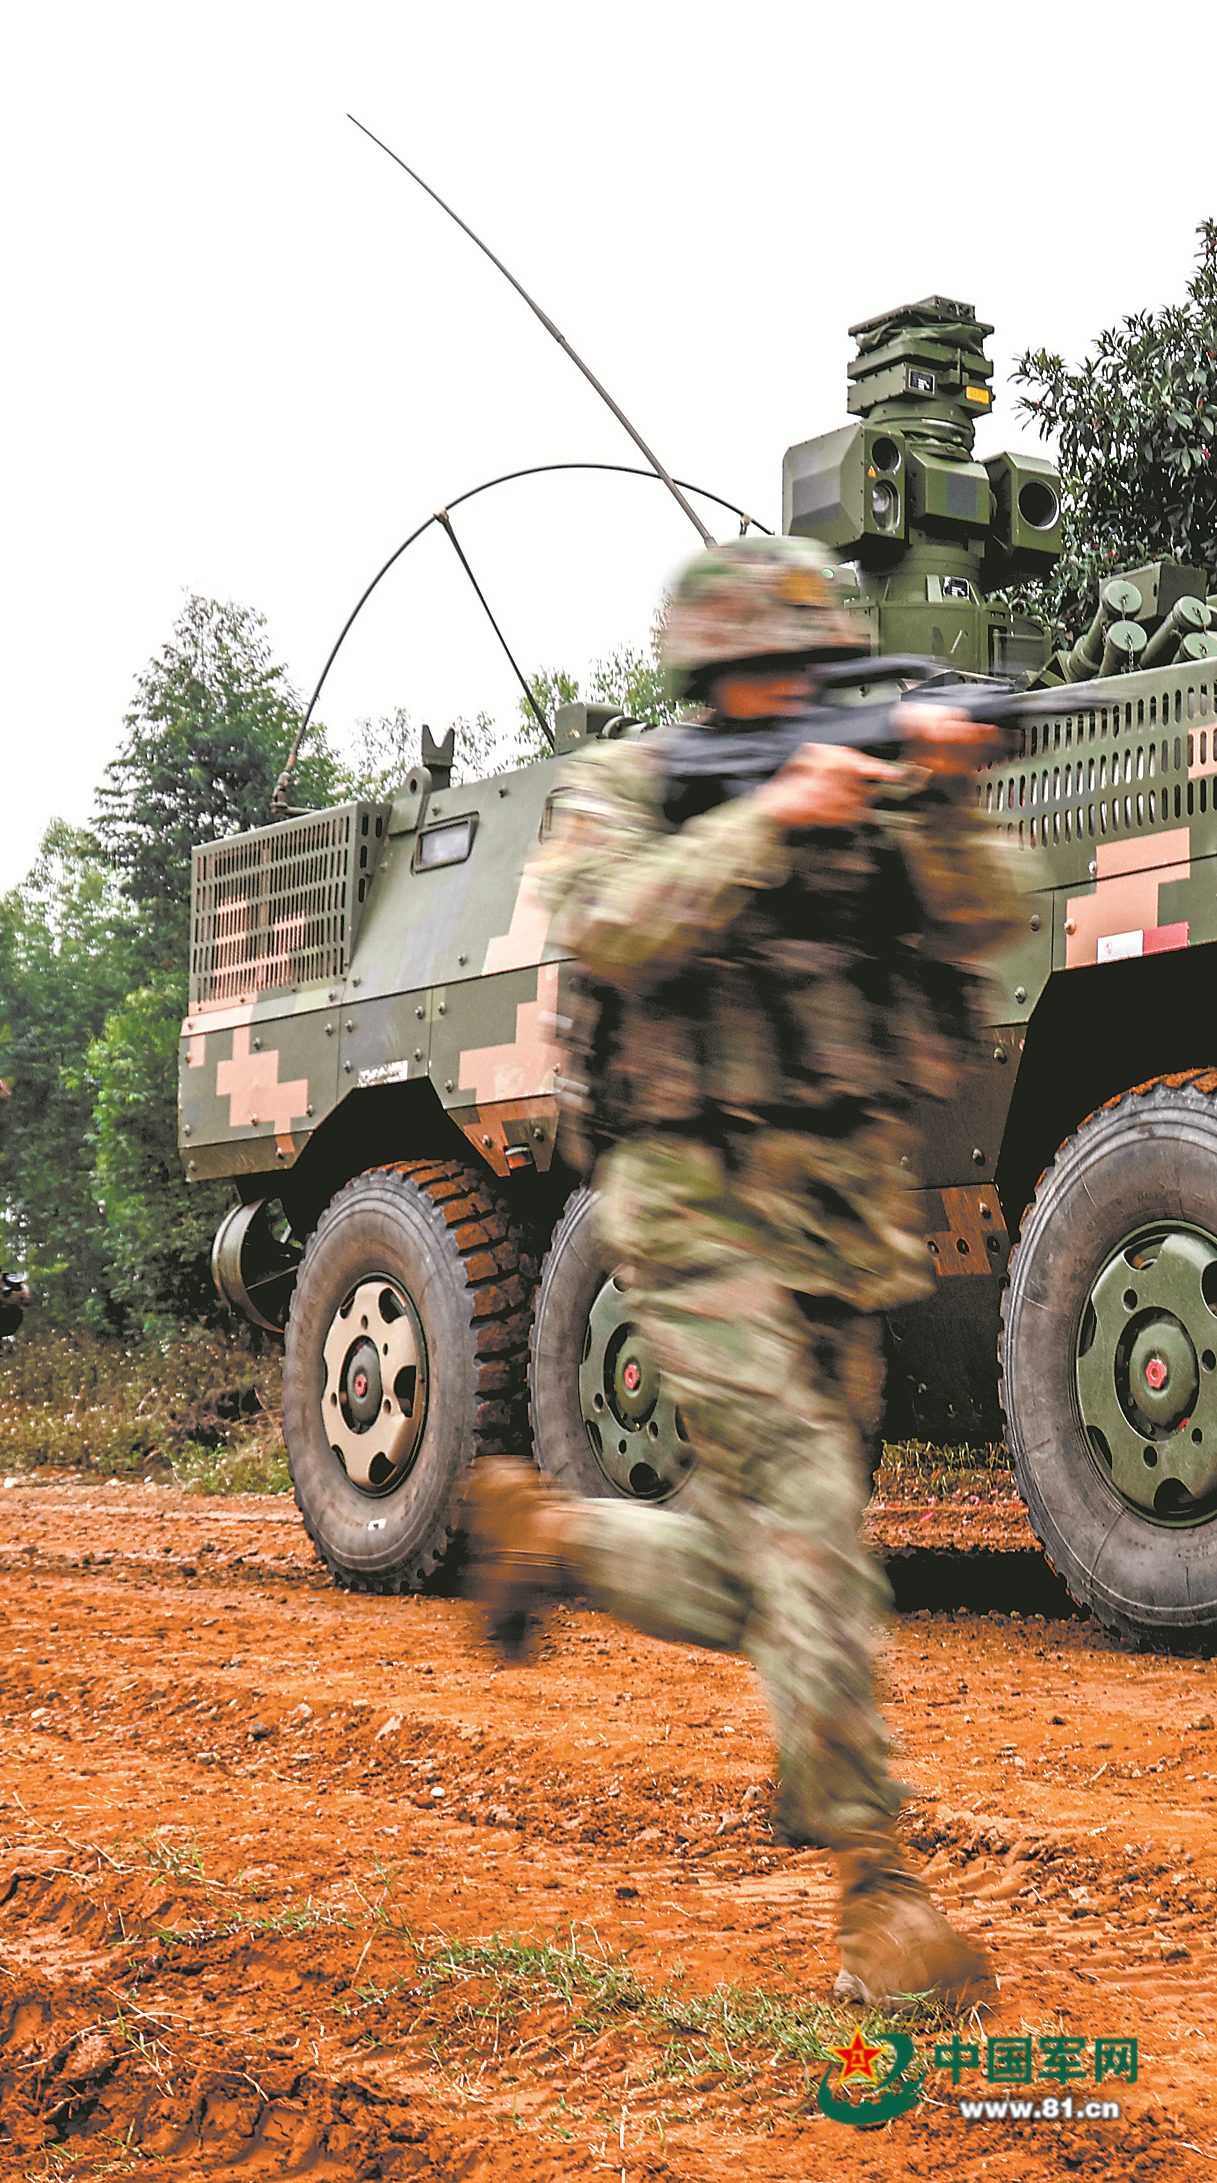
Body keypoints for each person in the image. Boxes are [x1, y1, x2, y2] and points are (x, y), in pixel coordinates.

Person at [464, 535, 1022, 2012]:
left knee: (759, 1567)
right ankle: (875, 1894)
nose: (802, 697)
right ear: (710, 682)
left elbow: (989, 919)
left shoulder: (884, 779)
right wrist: (774, 814)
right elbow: (602, 921)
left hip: (841, 1208)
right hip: (685, 1194)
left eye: (817, 676)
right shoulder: (633, 785)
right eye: (769, 679)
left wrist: (941, 793)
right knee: (812, 1516)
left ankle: (552, 1539)